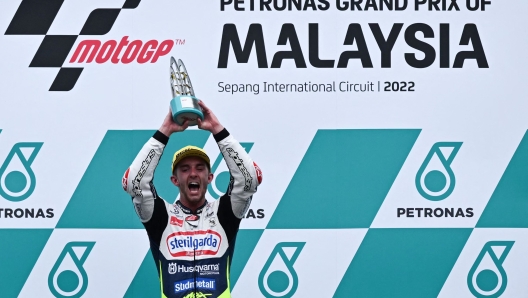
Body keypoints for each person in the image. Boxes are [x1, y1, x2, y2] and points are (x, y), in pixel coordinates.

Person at [122, 100, 262, 298]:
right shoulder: (162, 218)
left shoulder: (224, 214)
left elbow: (250, 179)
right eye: (185, 169)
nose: (193, 174)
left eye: (200, 168)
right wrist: (165, 131)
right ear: (174, 180)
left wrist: (217, 129)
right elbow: (133, 183)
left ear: (210, 178)